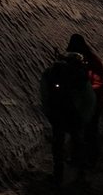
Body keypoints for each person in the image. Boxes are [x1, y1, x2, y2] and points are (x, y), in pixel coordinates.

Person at [40, 51, 96, 186]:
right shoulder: (80, 75)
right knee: (78, 142)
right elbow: (89, 99)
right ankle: (79, 174)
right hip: (74, 115)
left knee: (58, 143)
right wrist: (84, 117)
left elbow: (44, 92)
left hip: (57, 113)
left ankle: (58, 174)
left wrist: (48, 110)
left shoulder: (51, 73)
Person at [67, 33, 103, 164]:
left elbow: (98, 84)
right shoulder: (76, 62)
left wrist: (87, 93)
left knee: (90, 131)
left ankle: (91, 158)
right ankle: (79, 157)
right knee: (78, 131)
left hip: (92, 102)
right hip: (80, 103)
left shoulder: (92, 62)